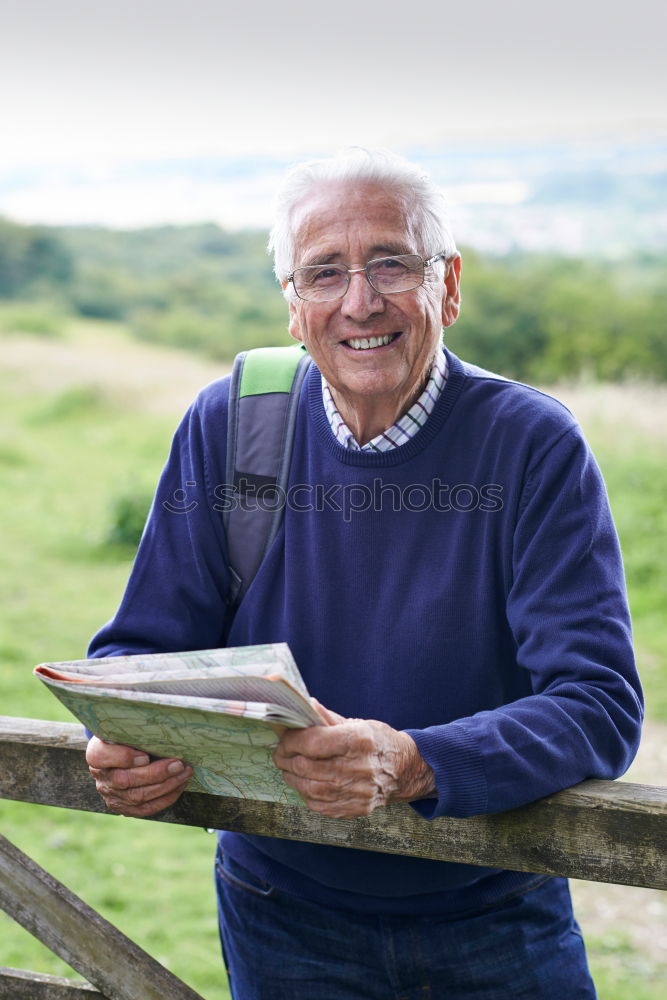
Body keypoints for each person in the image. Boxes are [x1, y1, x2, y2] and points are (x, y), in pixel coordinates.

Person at [86, 148, 643, 999]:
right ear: (292, 307)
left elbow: (597, 704)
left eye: (391, 263)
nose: (359, 301)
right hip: (280, 909)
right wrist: (121, 733)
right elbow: (141, 648)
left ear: (447, 286)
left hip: (493, 909)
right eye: (323, 273)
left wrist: (415, 760)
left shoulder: (531, 443)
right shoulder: (232, 425)